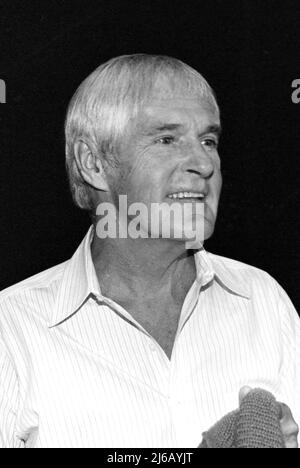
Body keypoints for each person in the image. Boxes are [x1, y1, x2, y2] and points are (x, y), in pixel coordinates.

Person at [0, 54, 299, 448]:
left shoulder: (263, 300)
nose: (203, 162)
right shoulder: (14, 330)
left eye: (208, 140)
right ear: (94, 163)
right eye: (166, 139)